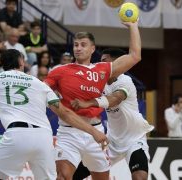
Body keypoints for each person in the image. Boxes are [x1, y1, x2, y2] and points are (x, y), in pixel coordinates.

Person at [0, 49, 108, 180]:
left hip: (17, 134)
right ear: (21, 62)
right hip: (43, 138)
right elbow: (65, 113)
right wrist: (93, 131)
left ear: (1, 64)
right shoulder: (39, 83)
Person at [44, 20, 142, 180]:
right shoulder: (59, 71)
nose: (78, 48)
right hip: (68, 133)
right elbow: (42, 90)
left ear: (92, 49)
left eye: (83, 44)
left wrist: (133, 26)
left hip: (96, 134)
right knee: (62, 176)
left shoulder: (102, 69)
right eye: (75, 45)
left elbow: (134, 55)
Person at [71, 48, 154, 180]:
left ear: (117, 63)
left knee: (140, 177)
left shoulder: (125, 80)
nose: (101, 65)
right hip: (111, 141)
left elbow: (115, 100)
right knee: (74, 174)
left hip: (134, 139)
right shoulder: (99, 82)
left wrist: (89, 103)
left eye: (104, 61)